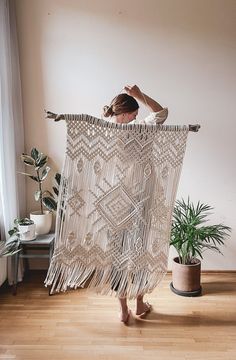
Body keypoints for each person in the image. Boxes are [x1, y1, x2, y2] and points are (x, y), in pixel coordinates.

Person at [103, 85, 168, 324]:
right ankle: (139, 303)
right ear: (125, 111)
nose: (136, 117)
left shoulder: (105, 132)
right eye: (134, 112)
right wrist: (139, 95)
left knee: (118, 252)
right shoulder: (140, 129)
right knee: (139, 248)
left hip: (116, 199)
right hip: (141, 197)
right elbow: (161, 113)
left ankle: (124, 310)